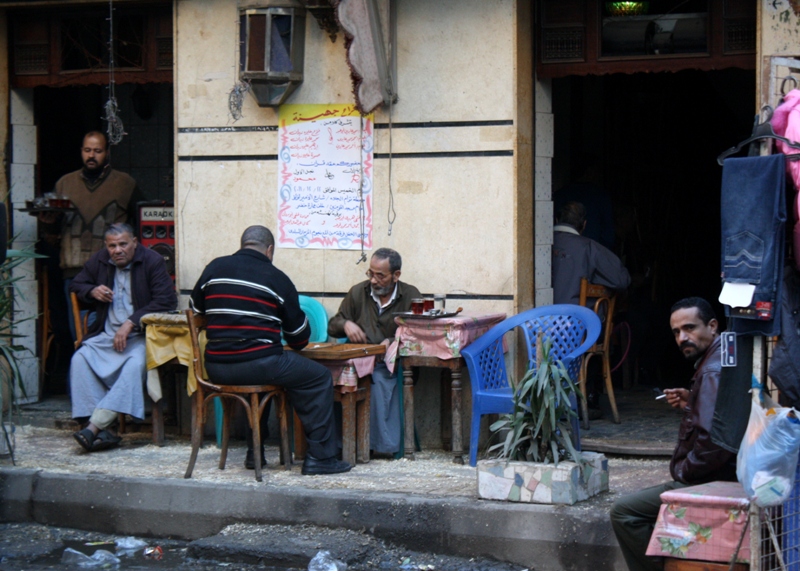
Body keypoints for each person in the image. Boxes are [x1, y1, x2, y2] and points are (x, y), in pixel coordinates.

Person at [190, 225, 351, 476]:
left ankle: (255, 454)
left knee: (267, 375)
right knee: (318, 377)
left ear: (242, 243)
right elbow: (298, 339)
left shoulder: (214, 269)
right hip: (260, 366)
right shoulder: (276, 278)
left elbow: (196, 309)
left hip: (216, 369)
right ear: (270, 250)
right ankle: (320, 457)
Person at [610, 297, 737, 571]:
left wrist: (685, 471)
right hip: (725, 473)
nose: (682, 338)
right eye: (677, 332)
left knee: (624, 511)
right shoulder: (720, 356)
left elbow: (714, 442)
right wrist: (693, 400)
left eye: (690, 328)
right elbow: (721, 415)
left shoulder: (713, 370)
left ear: (713, 326)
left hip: (715, 478)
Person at [70, 223, 177, 452]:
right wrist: (92, 290)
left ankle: (94, 428)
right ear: (106, 247)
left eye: (123, 244)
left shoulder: (152, 261)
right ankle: (102, 431)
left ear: (135, 243)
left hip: (139, 337)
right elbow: (76, 283)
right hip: (106, 336)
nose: (117, 250)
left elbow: (167, 301)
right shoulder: (99, 260)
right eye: (112, 246)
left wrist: (131, 322)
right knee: (80, 358)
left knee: (136, 364)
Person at [42, 131, 143, 341]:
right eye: (87, 150)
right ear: (81, 152)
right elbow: (52, 234)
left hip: (114, 272)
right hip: (74, 272)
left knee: (115, 332)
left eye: (97, 151)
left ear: (106, 153)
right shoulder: (64, 184)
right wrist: (49, 224)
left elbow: (142, 224)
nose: (91, 155)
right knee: (78, 333)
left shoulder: (125, 184)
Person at [328, 248, 421, 457]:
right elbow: (332, 325)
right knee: (331, 378)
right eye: (371, 273)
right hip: (359, 360)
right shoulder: (357, 293)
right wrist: (346, 324)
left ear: (396, 275)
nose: (374, 280)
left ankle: (378, 447)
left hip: (391, 364)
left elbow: (418, 331)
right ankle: (340, 445)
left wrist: (394, 340)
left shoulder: (411, 295)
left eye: (380, 275)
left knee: (377, 380)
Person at [552, 200, 630, 306]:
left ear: (557, 220)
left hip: (539, 319)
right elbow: (622, 280)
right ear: (584, 225)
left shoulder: (537, 245)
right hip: (578, 320)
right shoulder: (590, 248)